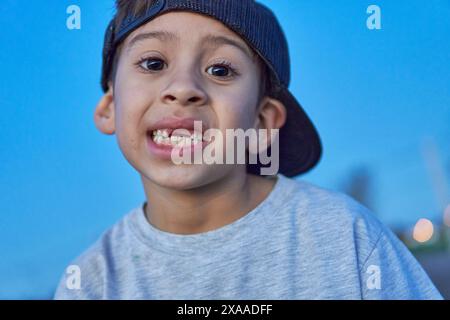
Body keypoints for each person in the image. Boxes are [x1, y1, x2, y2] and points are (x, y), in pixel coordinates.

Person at [55, 0, 442, 299]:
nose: (183, 87)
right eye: (153, 62)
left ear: (262, 123)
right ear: (109, 109)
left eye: (221, 70)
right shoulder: (92, 282)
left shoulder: (347, 238)